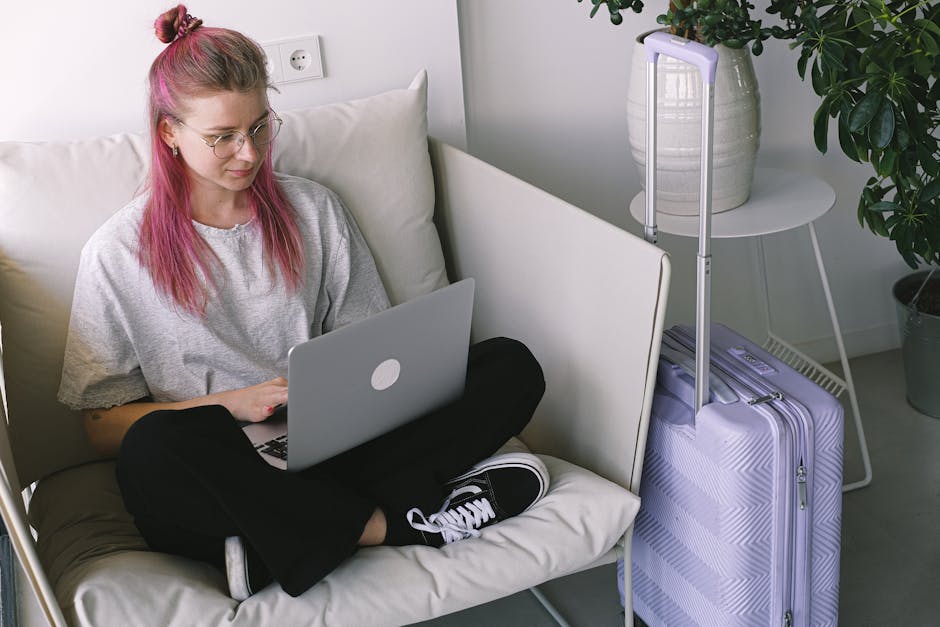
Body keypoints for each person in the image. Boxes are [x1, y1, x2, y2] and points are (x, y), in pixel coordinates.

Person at [57, 5, 549, 601]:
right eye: (223, 138)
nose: (249, 153)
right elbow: (100, 426)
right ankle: (391, 524)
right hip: (220, 467)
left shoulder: (313, 210)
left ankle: (271, 546)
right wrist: (233, 405)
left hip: (332, 449)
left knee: (511, 366)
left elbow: (373, 350)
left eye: (261, 127)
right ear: (169, 132)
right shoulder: (116, 253)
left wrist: (344, 396)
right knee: (152, 449)